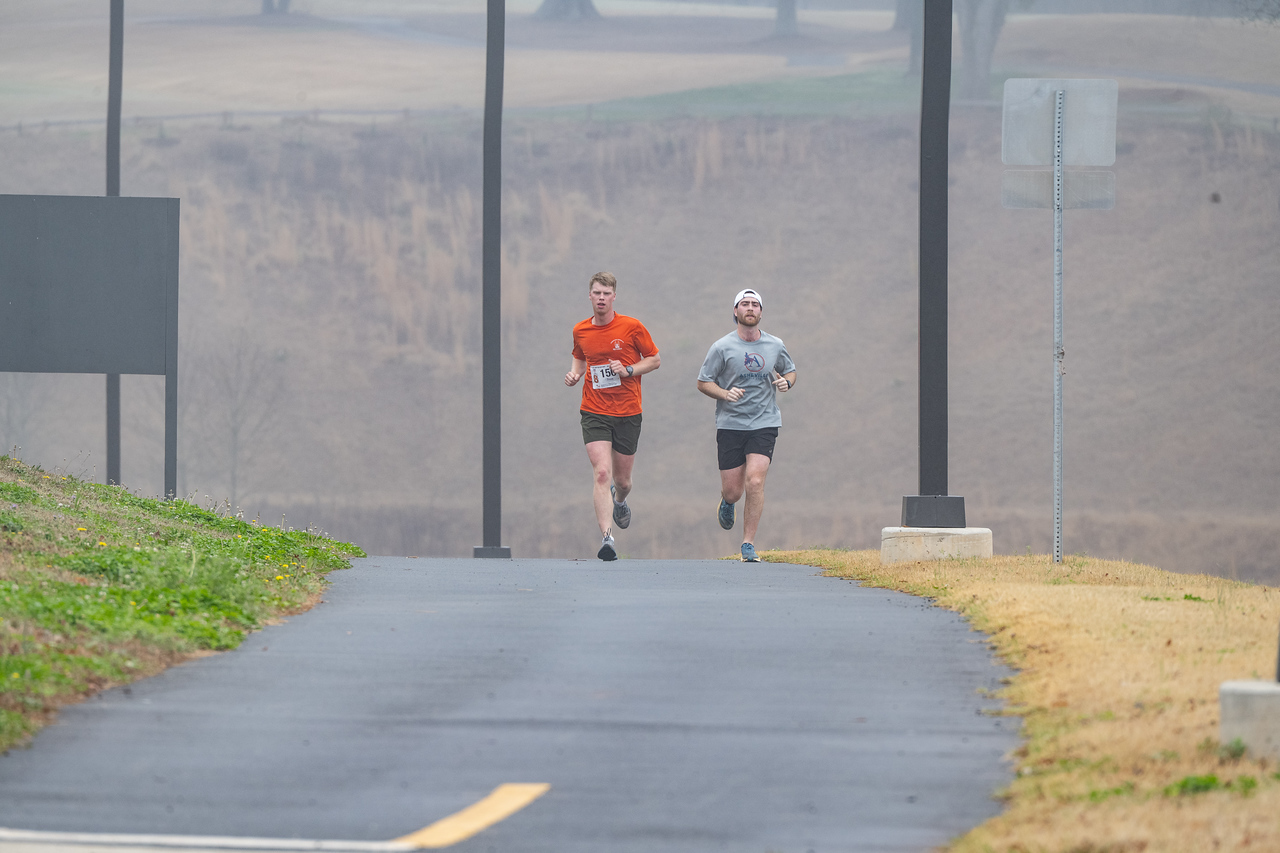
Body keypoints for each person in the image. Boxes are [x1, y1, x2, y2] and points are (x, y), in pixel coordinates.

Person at [565, 272, 661, 561]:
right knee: (601, 473)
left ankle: (620, 500)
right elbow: (581, 356)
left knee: (622, 481)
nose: (602, 298)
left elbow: (655, 360)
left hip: (628, 412)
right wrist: (575, 373)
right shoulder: (581, 330)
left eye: (606, 293)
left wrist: (629, 370)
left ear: (614, 296)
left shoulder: (632, 327)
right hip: (594, 410)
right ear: (590, 296)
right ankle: (608, 538)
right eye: (597, 293)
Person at [696, 288, 796, 562]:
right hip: (730, 424)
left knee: (755, 479)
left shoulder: (775, 344)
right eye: (745, 304)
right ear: (736, 311)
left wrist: (787, 382)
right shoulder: (722, 347)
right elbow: (703, 382)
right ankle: (728, 502)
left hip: (764, 422)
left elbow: (790, 370)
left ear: (761, 312)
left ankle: (748, 543)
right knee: (734, 490)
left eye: (755, 304)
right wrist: (725, 394)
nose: (750, 308)